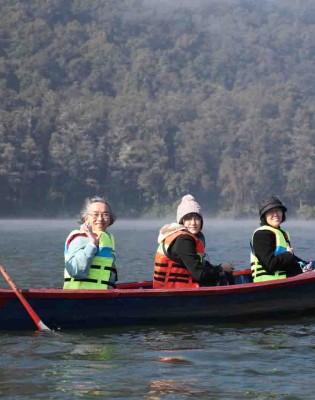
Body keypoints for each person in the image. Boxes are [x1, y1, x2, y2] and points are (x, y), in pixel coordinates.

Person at [153, 194, 234, 289]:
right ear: (182, 221)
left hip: (176, 288)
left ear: (201, 221)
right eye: (188, 218)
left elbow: (199, 265)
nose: (193, 223)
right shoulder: (183, 240)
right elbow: (199, 274)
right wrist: (221, 269)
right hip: (173, 291)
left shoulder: (187, 237)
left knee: (222, 273)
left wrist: (218, 268)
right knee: (225, 276)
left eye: (197, 218)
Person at [250, 195, 313, 283]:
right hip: (268, 284)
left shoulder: (281, 234)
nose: (275, 214)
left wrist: (304, 266)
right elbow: (270, 265)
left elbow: (289, 261)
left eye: (278, 211)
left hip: (284, 279)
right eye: (271, 212)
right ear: (264, 216)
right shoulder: (262, 234)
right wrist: (288, 254)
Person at [64, 196, 118, 289]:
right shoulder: (79, 238)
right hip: (79, 298)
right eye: (95, 214)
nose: (100, 219)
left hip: (102, 298)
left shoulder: (107, 238)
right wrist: (92, 244)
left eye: (105, 214)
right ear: (85, 218)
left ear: (110, 219)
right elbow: (76, 271)